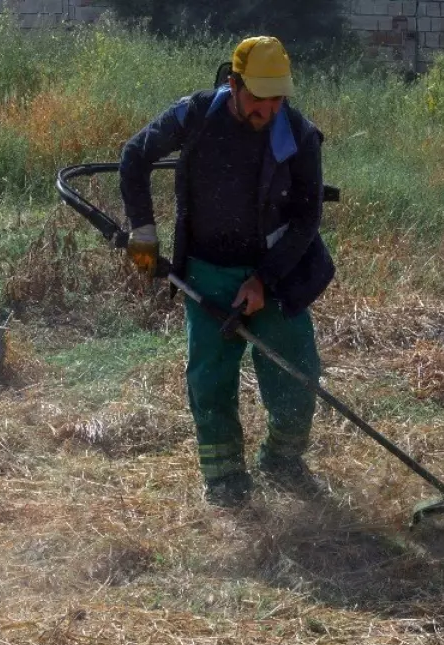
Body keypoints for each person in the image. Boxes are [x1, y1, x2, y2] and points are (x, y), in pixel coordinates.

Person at [119, 35, 335, 509]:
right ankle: (225, 479)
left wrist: (264, 280)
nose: (268, 109)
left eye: (278, 97)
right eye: (259, 97)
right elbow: (134, 156)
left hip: (276, 273)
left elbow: (307, 219)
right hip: (206, 271)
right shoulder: (194, 115)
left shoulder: (298, 135)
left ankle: (282, 459)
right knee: (210, 381)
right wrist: (144, 231)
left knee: (299, 377)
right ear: (234, 84)